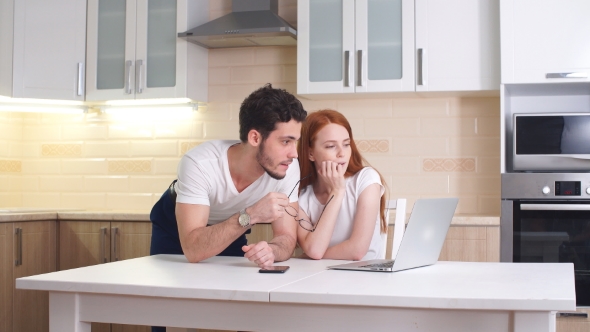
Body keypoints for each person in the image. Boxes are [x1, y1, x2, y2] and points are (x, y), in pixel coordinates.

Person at [149, 83, 307, 270]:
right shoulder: (200, 163)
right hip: (177, 226)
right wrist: (252, 214)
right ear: (255, 138)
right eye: (286, 141)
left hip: (232, 224)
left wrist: (272, 250)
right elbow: (193, 249)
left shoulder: (287, 167)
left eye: (294, 142)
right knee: (172, 289)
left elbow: (287, 237)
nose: (294, 154)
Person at [292, 109, 387, 261]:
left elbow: (357, 251)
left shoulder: (366, 179)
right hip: (320, 278)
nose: (342, 153)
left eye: (346, 144)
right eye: (331, 146)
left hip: (366, 277)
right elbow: (315, 250)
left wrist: (309, 256)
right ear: (311, 153)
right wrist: (336, 192)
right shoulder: (301, 197)